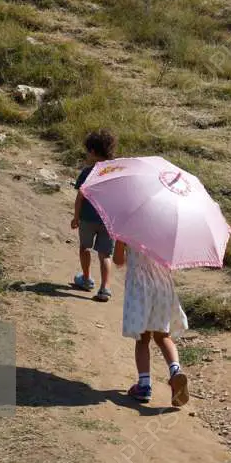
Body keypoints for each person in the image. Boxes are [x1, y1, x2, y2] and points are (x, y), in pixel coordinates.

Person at [113, 239, 190, 407]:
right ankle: (175, 371)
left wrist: (119, 242)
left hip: (141, 289)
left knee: (142, 340)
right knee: (163, 337)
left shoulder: (127, 231)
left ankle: (144, 385)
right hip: (163, 287)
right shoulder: (165, 231)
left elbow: (118, 261)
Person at [71, 129, 117, 303]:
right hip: (108, 221)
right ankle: (105, 287)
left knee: (85, 248)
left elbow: (80, 198)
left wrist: (76, 217)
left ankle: (86, 278)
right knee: (105, 254)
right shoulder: (115, 173)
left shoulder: (87, 172)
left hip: (87, 218)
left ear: (92, 151)